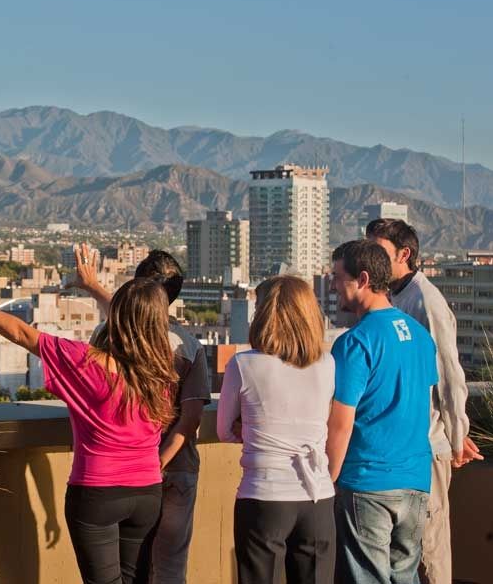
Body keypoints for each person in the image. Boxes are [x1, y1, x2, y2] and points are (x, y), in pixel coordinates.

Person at [0, 254, 178, 584]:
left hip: (97, 491)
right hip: (148, 492)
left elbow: (21, 333)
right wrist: (96, 289)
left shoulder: (86, 364)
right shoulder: (162, 370)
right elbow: (138, 321)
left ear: (117, 317)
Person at [73, 245, 211, 584]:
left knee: (122, 572)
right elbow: (190, 420)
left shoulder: (108, 336)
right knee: (168, 569)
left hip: (116, 475)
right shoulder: (189, 347)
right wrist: (160, 461)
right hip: (176, 469)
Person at [366, 218, 483, 584]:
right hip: (402, 447)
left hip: (429, 446)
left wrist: (455, 433)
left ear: (405, 254)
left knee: (428, 549)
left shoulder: (425, 300)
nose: (371, 257)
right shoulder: (394, 297)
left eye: (379, 250)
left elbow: (449, 375)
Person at [326, 240, 438, 583]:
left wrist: (326, 481)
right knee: (404, 577)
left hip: (367, 483)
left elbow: (341, 425)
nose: (332, 285)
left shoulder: (355, 342)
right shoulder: (420, 336)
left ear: (361, 279)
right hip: (416, 481)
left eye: (337, 277)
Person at [216, 275, 336, 584]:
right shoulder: (328, 364)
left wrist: (260, 433)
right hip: (318, 497)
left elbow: (224, 430)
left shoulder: (244, 365)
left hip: (264, 495)